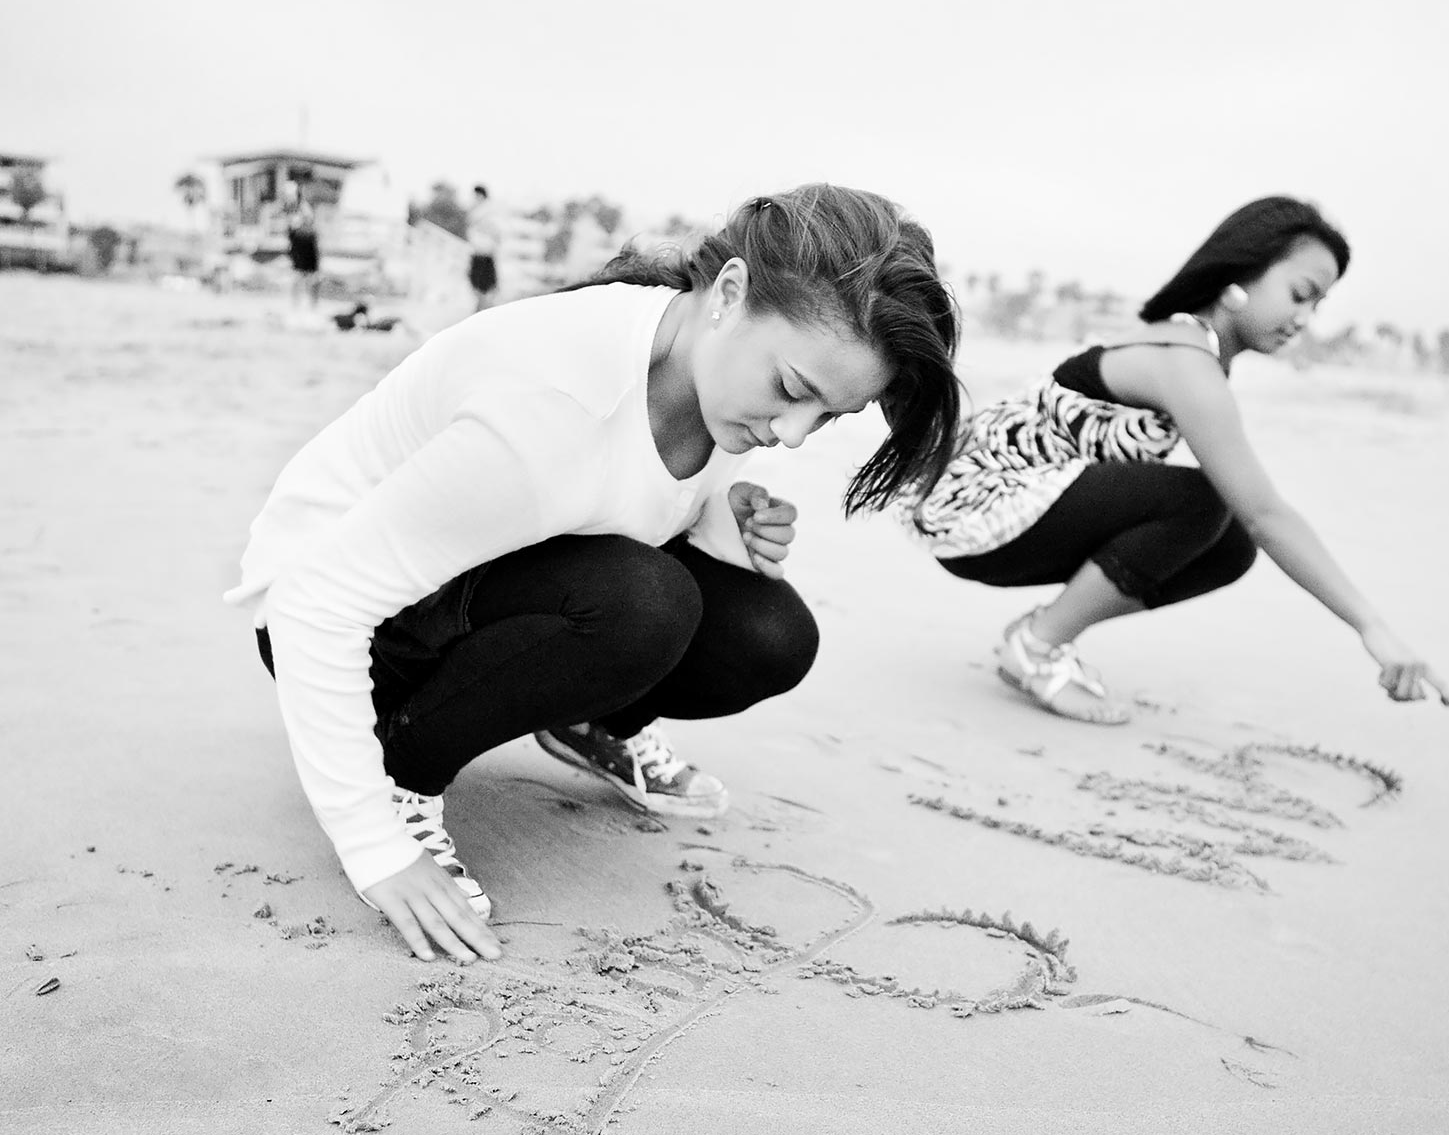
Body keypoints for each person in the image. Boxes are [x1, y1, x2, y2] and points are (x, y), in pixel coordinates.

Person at [227, 183, 960, 963]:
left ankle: (583, 718)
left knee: (768, 633)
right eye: (791, 390)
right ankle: (406, 768)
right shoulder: (552, 398)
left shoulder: (701, 367)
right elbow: (316, 600)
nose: (791, 435)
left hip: (465, 579)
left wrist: (716, 521)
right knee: (647, 604)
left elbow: (604, 497)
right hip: (352, 634)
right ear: (731, 293)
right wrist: (373, 844)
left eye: (830, 417)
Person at [901, 196, 1449, 724]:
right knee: (1205, 501)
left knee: (1230, 546)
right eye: (1300, 292)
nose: (1306, 318)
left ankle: (1040, 633)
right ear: (1238, 277)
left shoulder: (1195, 352)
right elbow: (1268, 512)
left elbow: (1252, 524)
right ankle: (1038, 646)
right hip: (978, 517)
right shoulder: (1183, 361)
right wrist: (1371, 628)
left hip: (1011, 516)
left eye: (1318, 304)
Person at [466, 184, 501, 312]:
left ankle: (483, 311)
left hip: (485, 253)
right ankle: (480, 310)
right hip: (477, 252)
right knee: (477, 286)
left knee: (484, 287)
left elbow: (496, 232)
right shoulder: (476, 211)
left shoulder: (489, 211)